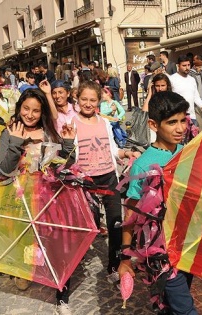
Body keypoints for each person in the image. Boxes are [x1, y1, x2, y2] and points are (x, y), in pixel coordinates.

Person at [0, 88, 76, 314]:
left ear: (42, 113)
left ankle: (62, 291)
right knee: (25, 236)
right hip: (20, 197)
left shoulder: (49, 133)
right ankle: (24, 268)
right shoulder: (9, 131)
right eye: (26, 109)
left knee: (56, 241)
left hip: (50, 196)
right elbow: (3, 169)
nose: (30, 115)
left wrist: (68, 144)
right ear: (19, 107)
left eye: (36, 111)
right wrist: (15, 142)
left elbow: (64, 166)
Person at [119, 91, 198, 315]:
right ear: (154, 124)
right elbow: (130, 214)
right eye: (172, 122)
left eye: (183, 120)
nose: (180, 128)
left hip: (187, 245)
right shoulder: (143, 166)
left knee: (173, 303)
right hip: (160, 254)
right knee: (185, 309)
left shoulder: (188, 153)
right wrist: (125, 257)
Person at [71, 81, 140, 283]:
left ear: (99, 101)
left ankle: (114, 266)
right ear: (77, 98)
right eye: (84, 99)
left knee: (115, 224)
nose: (88, 103)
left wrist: (126, 152)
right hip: (86, 183)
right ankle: (76, 264)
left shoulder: (104, 123)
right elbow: (69, 155)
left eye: (93, 100)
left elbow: (112, 149)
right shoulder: (72, 124)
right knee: (89, 226)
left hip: (109, 178)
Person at [169, 55, 202, 141]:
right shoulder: (172, 79)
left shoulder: (192, 79)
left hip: (192, 117)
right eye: (184, 65)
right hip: (179, 118)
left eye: (188, 65)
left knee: (194, 144)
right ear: (178, 66)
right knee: (180, 144)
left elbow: (196, 96)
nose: (187, 68)